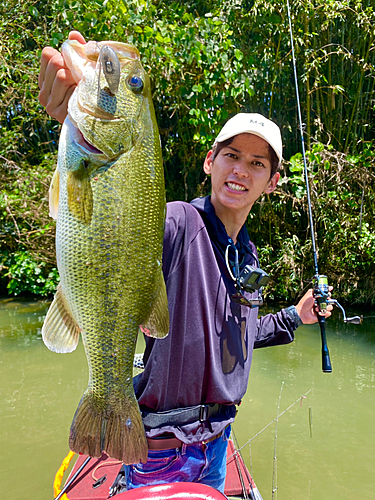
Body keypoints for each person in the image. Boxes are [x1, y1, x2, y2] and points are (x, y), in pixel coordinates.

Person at [38, 31, 332, 495]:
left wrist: (296, 317)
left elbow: (236, 338)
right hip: (160, 447)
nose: (240, 170)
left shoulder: (247, 257)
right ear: (209, 162)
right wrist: (71, 120)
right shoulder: (175, 223)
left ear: (272, 182)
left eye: (257, 163)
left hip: (216, 443)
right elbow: (112, 217)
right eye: (231, 156)